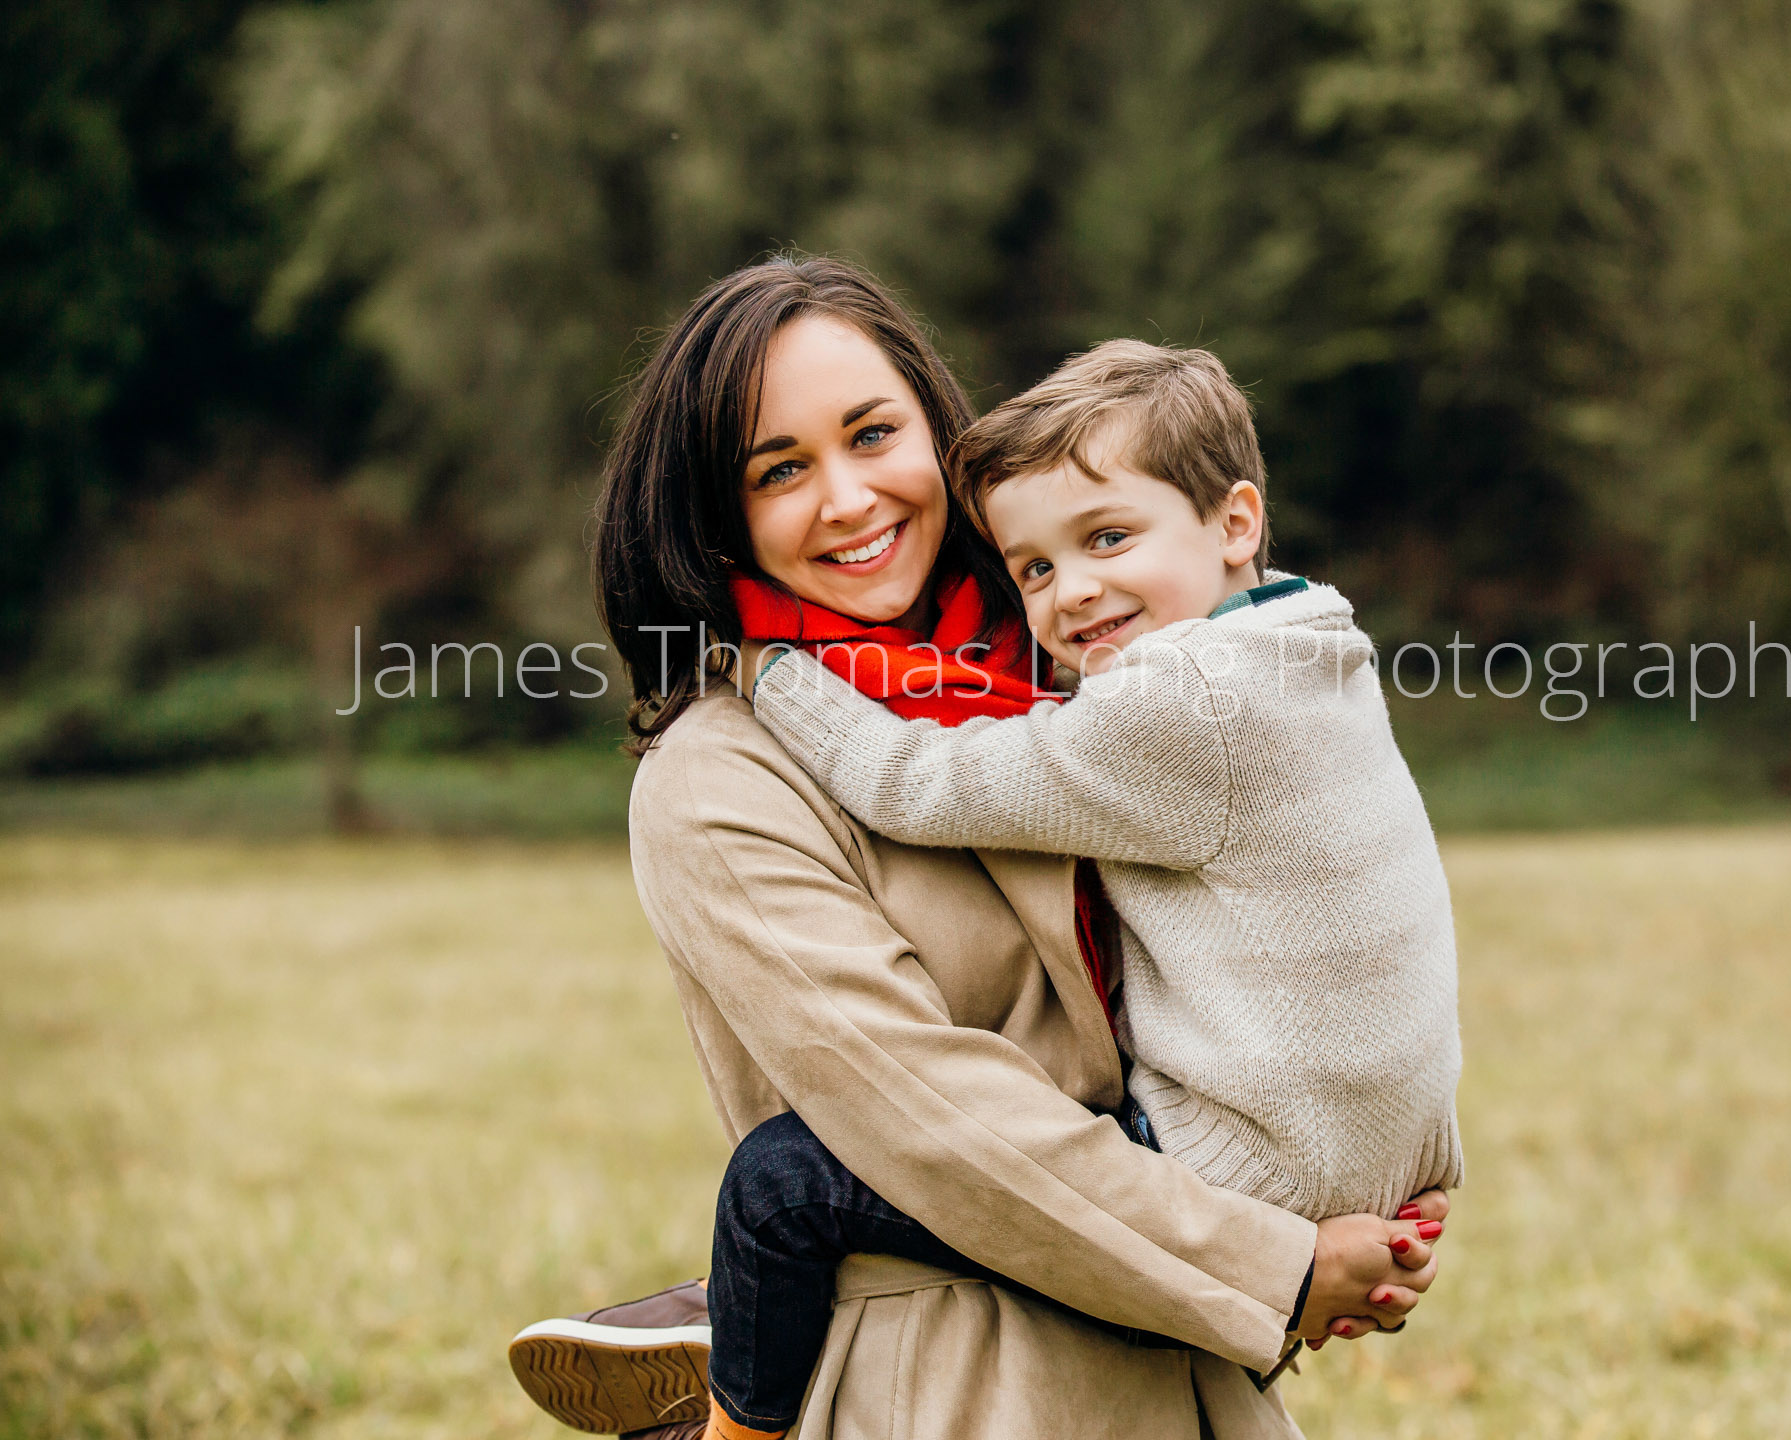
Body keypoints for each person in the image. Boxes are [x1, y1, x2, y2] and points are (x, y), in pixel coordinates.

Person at [508, 255, 1450, 1440]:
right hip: (968, 1384)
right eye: (781, 470)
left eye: (872, 433)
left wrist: (1369, 1174)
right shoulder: (722, 774)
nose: (848, 498)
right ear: (719, 514)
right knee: (785, 1187)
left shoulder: (1062, 668)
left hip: (1185, 1362)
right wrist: (1275, 1262)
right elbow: (929, 1115)